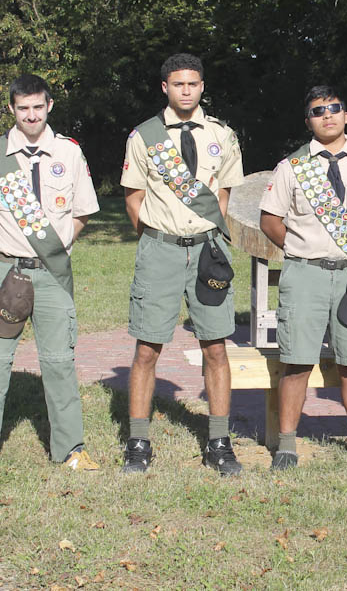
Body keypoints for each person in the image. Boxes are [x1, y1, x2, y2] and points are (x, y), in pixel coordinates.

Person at [0, 74, 100, 471]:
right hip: (4, 270)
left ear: (49, 106)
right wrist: (11, 246)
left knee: (58, 360)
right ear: (12, 109)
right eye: (23, 109)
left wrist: (55, 246)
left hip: (52, 272)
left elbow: (82, 212)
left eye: (38, 107)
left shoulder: (69, 153)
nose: (31, 116)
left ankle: (71, 451)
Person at [259, 85, 347, 469]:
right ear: (309, 120)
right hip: (306, 274)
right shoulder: (292, 167)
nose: (328, 115)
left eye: (335, 108)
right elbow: (269, 219)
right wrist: (299, 245)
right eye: (318, 111)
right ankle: (287, 445)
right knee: (297, 361)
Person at [120, 53, 245, 475]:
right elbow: (133, 198)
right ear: (165, 88)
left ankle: (219, 441)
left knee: (215, 345)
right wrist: (161, 238)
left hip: (209, 250)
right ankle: (138, 441)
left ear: (202, 86)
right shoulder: (144, 137)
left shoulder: (223, 136)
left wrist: (204, 232)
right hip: (160, 250)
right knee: (147, 347)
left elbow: (223, 194)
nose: (186, 91)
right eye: (178, 84)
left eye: (193, 84)